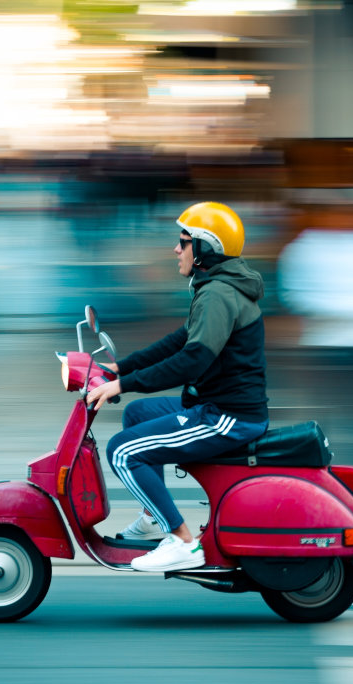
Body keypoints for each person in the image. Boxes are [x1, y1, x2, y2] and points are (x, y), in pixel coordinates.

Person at [86, 201, 269, 572]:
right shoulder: (216, 288)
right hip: (217, 406)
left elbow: (191, 361)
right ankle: (154, 517)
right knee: (137, 414)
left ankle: (183, 542)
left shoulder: (218, 294)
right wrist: (119, 368)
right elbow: (177, 343)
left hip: (228, 416)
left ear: (205, 249)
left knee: (123, 452)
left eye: (183, 241)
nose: (176, 249)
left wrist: (125, 383)